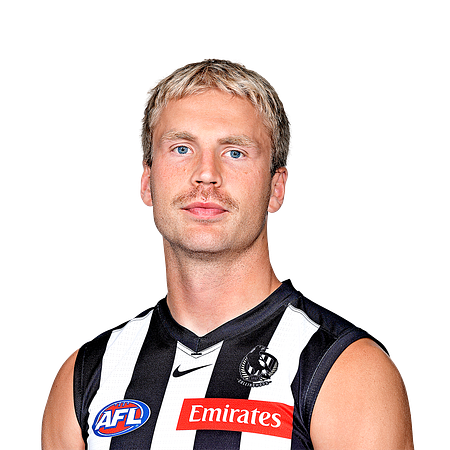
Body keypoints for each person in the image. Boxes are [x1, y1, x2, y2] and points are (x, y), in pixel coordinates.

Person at [41, 58, 415, 449]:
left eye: (234, 152)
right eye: (182, 148)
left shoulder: (346, 370)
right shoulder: (85, 376)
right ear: (147, 182)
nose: (206, 173)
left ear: (276, 189)